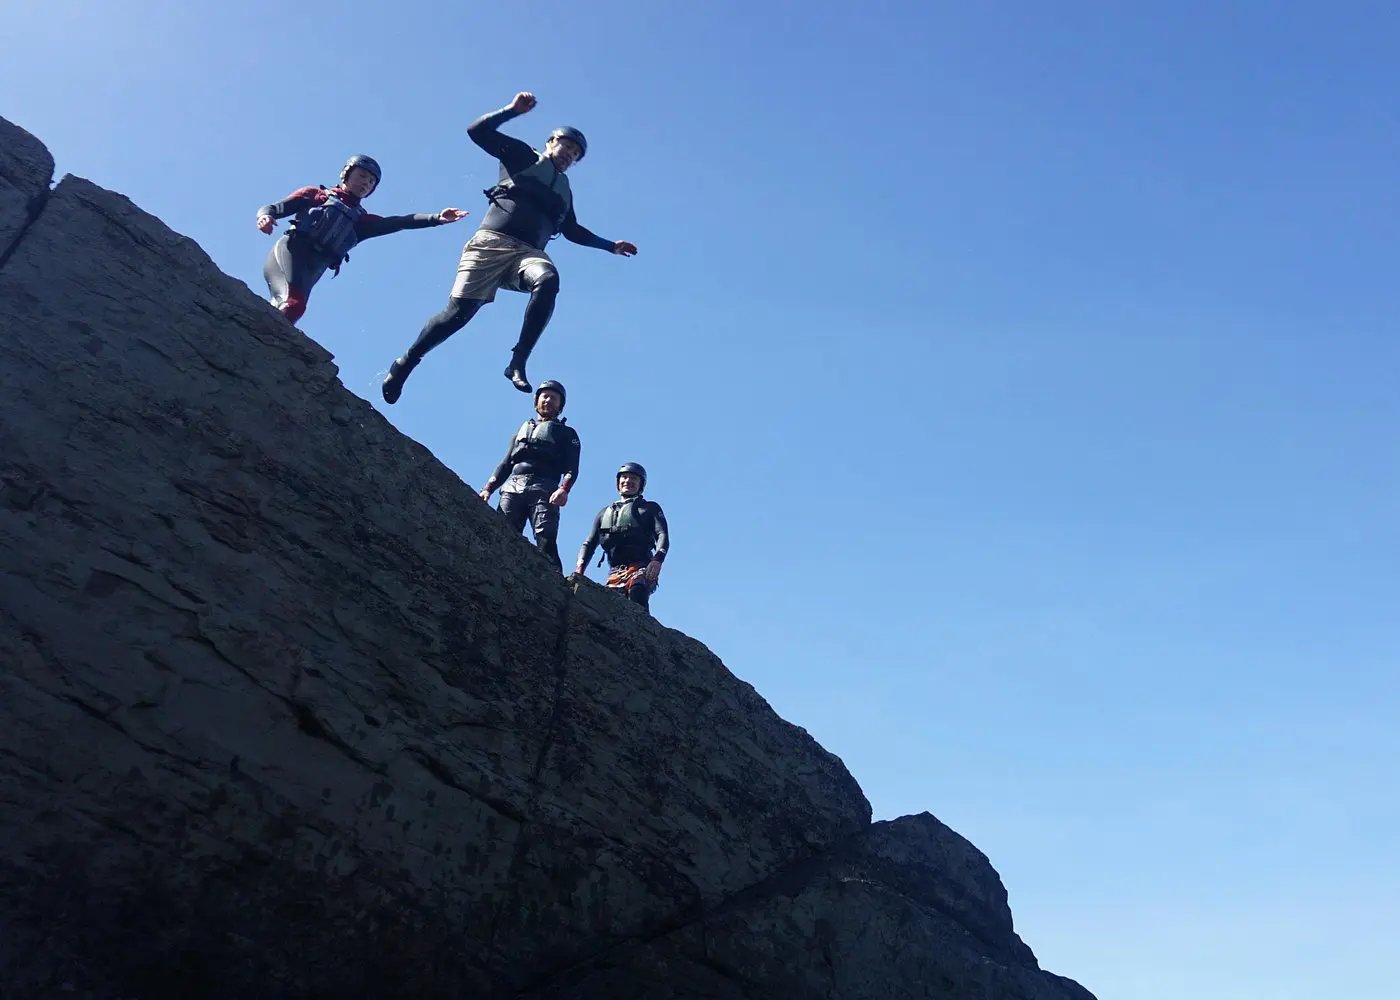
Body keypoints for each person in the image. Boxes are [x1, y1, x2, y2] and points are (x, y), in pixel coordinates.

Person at [380, 91, 638, 404]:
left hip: (527, 254)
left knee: (549, 280)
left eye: (575, 153)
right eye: (566, 145)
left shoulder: (564, 192)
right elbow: (477, 132)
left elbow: (572, 230)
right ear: (551, 143)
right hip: (490, 244)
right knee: (458, 315)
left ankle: (518, 361)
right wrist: (512, 110)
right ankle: (406, 362)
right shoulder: (524, 157)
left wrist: (611, 246)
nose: (569, 154)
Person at [256, 155, 468, 325]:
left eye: (371, 181)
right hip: (291, 252)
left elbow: (399, 222)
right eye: (362, 176)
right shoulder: (317, 195)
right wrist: (265, 217)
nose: (366, 183)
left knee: (289, 307)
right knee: (293, 305)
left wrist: (436, 218)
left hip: (314, 266)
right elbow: (274, 208)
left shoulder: (361, 222)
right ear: (346, 175)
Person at [479, 379, 580, 572]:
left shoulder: (567, 434)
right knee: (503, 531)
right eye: (545, 396)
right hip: (513, 485)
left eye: (553, 398)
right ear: (536, 400)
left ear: (560, 405)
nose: (548, 401)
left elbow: (572, 468)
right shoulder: (522, 430)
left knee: (546, 535)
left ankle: (556, 582)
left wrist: (564, 489)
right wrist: (487, 489)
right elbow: (506, 463)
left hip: (545, 487)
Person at [575, 463, 669, 612]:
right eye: (624, 477)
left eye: (633, 478)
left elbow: (662, 535)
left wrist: (657, 560)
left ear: (641, 485)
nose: (628, 481)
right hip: (615, 572)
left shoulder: (650, 508)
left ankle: (643, 630)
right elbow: (589, 544)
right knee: (611, 606)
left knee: (638, 590)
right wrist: (579, 569)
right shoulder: (604, 513)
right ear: (618, 483)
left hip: (641, 567)